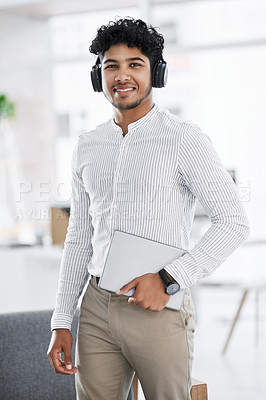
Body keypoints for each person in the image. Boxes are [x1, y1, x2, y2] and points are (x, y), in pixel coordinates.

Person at [47, 17, 250, 400]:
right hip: (96, 308)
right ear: (99, 77)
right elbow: (79, 238)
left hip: (158, 308)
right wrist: (61, 319)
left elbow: (234, 222)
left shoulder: (185, 140)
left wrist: (169, 279)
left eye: (134, 64)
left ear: (156, 73)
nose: (122, 76)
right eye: (112, 66)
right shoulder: (87, 146)